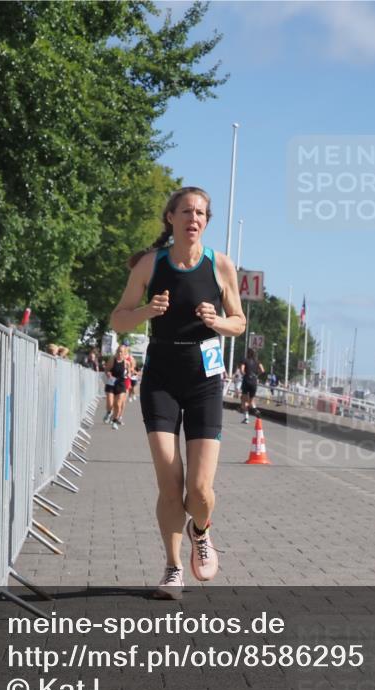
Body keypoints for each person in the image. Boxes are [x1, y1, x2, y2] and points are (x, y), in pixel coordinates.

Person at [110, 186, 245, 599]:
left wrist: (217, 322)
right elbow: (118, 320)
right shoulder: (150, 265)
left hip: (205, 379)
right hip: (162, 379)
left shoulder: (221, 265)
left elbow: (239, 322)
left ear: (206, 221)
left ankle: (200, 531)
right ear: (171, 218)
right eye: (186, 211)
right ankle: (172, 569)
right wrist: (146, 312)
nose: (194, 218)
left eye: (201, 213)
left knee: (200, 491)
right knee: (170, 486)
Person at [103, 343, 130, 428]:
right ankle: (108, 412)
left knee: (118, 404)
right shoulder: (112, 360)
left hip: (120, 384)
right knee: (110, 403)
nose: (119, 353)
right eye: (118, 351)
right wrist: (108, 373)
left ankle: (114, 421)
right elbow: (106, 370)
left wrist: (128, 374)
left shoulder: (126, 363)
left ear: (124, 353)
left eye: (121, 352)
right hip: (111, 383)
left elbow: (129, 373)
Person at [239, 348, 264, 424]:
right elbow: (262, 370)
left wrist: (245, 374)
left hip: (246, 380)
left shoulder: (245, 360)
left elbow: (242, 370)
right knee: (251, 401)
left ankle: (246, 418)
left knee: (244, 400)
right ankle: (256, 410)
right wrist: (256, 375)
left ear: (248, 353)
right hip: (254, 381)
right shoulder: (257, 361)